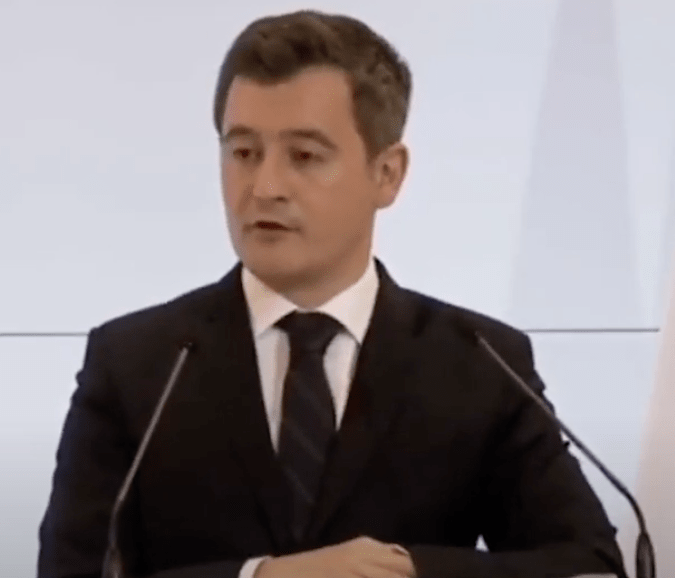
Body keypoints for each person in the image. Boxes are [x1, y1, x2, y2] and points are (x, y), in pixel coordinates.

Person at [37, 9, 625, 578]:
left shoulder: (480, 364)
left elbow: (589, 565)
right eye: (243, 153)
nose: (264, 186)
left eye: (304, 156)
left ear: (387, 174)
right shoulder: (139, 365)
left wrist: (406, 573)